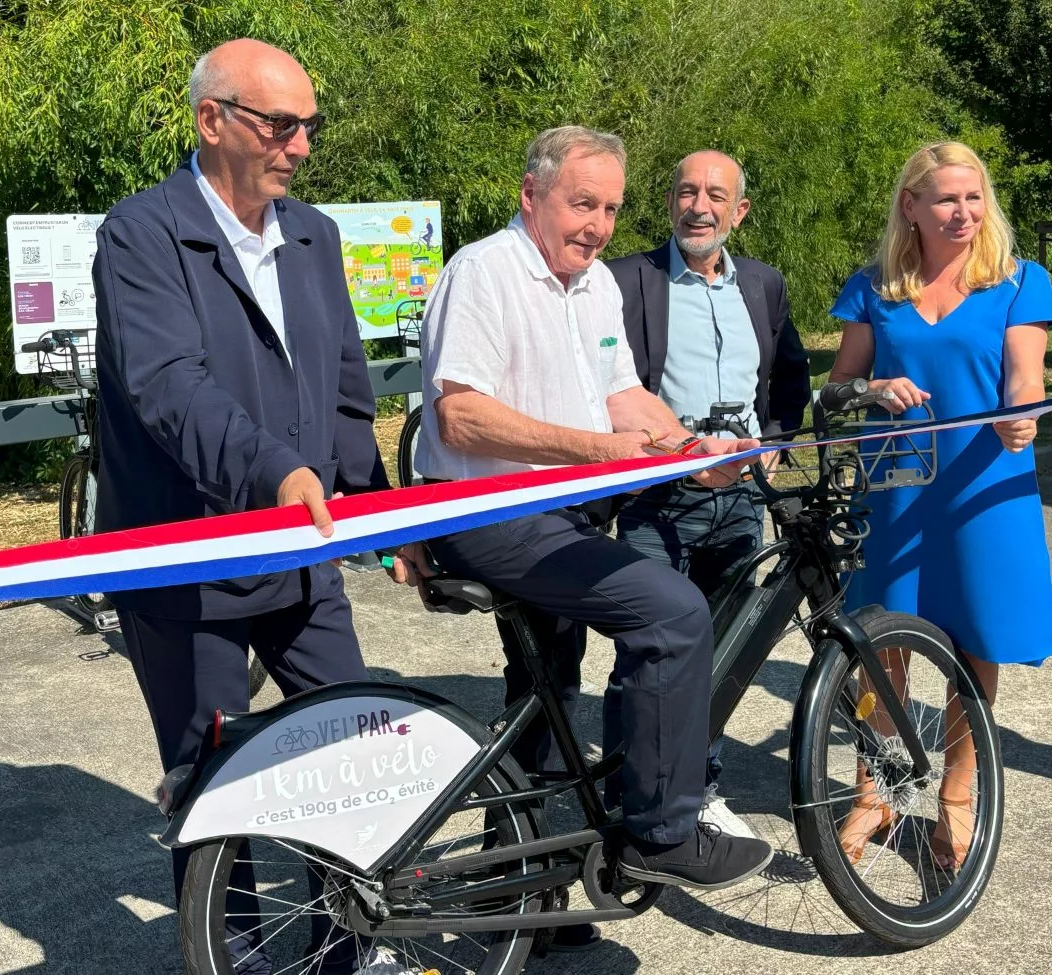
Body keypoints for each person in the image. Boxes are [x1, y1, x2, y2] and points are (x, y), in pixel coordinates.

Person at [92, 39, 402, 974]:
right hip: (187, 564)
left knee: (347, 755)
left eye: (309, 124)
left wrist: (385, 512)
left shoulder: (313, 234)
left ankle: (346, 945)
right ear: (211, 120)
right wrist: (274, 470)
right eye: (280, 123)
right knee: (215, 790)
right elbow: (168, 387)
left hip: (302, 556)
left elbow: (346, 387)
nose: (300, 144)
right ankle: (231, 956)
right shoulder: (140, 235)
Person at [413, 126, 776, 898]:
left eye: (610, 208)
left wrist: (692, 449)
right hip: (487, 513)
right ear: (531, 195)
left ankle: (524, 890)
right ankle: (663, 829)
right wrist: (597, 450)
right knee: (673, 614)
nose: (599, 226)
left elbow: (624, 395)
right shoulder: (484, 272)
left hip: (557, 513)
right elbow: (459, 417)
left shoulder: (594, 283)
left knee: (546, 687)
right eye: (583, 204)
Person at [826, 141, 1052, 871]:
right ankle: (877, 787)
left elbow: (1025, 378)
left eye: (973, 197)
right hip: (896, 486)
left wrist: (1023, 414)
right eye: (946, 199)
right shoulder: (873, 287)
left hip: (983, 487)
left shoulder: (1020, 282)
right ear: (912, 207)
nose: (963, 211)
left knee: (974, 644)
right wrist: (874, 390)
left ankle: (957, 795)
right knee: (880, 651)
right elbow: (837, 389)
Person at [604, 150, 811, 833]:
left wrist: (776, 441)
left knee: (719, 652)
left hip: (741, 500)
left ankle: (700, 790)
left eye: (716, 194)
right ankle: (623, 794)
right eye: (687, 191)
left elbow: (790, 378)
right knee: (646, 649)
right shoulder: (627, 280)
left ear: (738, 211)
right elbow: (602, 388)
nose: (700, 205)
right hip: (656, 497)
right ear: (669, 203)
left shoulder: (763, 284)